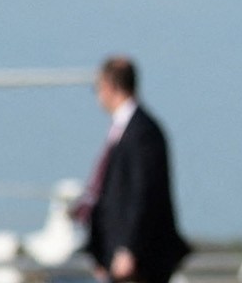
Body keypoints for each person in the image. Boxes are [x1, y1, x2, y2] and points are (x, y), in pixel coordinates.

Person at [80, 57, 190, 283]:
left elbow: (144, 194)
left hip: (138, 259)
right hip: (115, 253)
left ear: (109, 86)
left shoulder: (142, 132)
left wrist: (129, 248)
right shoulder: (126, 130)